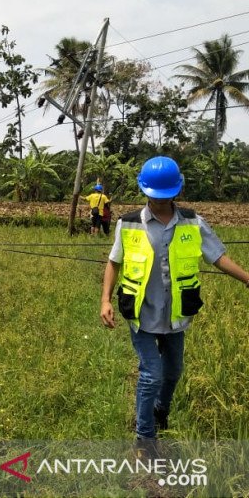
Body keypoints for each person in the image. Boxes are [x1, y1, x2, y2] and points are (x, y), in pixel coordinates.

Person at [100, 156, 249, 446]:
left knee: (172, 373)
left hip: (176, 315)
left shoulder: (193, 222)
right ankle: (144, 437)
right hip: (142, 314)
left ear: (176, 191)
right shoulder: (128, 224)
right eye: (154, 197)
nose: (159, 202)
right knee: (151, 375)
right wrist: (105, 299)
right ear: (144, 191)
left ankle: (160, 412)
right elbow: (114, 262)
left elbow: (218, 257)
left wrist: (246, 277)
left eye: (165, 197)